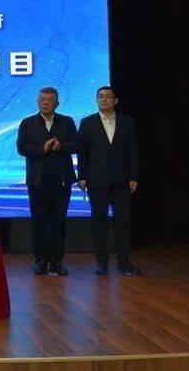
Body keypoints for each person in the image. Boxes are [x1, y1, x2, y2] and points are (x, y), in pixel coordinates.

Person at [77, 86, 141, 276]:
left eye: (108, 96)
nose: (104, 99)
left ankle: (123, 262)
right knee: (99, 222)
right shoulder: (87, 123)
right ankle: (102, 263)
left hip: (122, 180)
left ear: (116, 101)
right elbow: (82, 152)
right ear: (97, 100)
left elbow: (133, 151)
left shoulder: (127, 122)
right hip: (97, 181)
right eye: (101, 97)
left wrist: (133, 176)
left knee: (123, 222)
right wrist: (82, 176)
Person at [17, 87, 78, 276]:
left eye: (49, 99)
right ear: (37, 102)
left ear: (57, 103)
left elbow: (77, 145)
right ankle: (41, 261)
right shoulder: (28, 123)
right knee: (39, 221)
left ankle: (57, 261)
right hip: (38, 181)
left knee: (59, 221)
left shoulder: (67, 122)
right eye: (42, 99)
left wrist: (61, 147)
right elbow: (21, 148)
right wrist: (41, 149)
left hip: (61, 180)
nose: (45, 102)